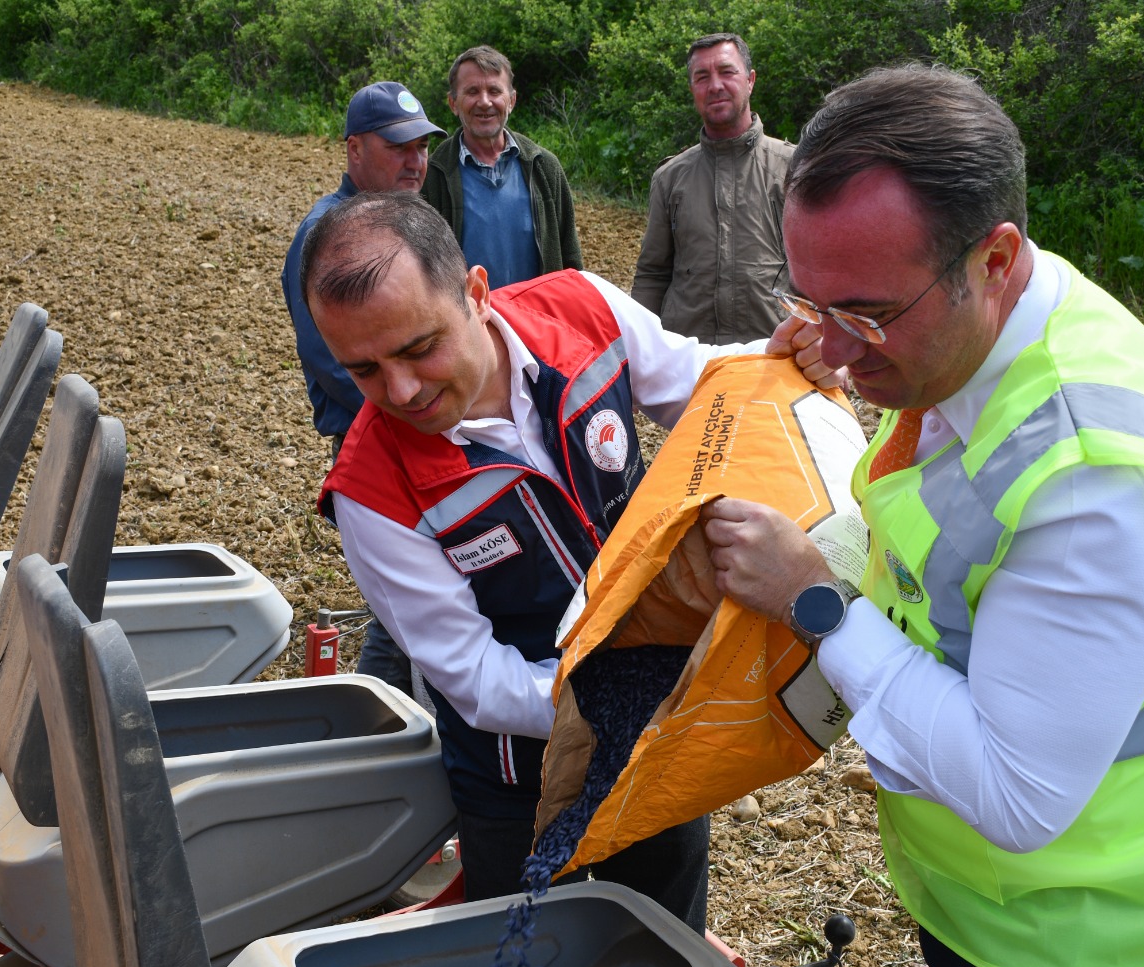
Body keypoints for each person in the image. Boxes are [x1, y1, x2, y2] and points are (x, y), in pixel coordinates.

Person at [701, 64, 1144, 967]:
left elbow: (1014, 792)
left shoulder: (1102, 479)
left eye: (865, 311)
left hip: (1096, 958)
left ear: (995, 257)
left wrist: (816, 605)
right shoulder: (981, 329)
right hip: (998, 916)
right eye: (812, 299)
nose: (833, 344)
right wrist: (851, 338)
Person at [303, 192, 834, 927]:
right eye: (362, 371)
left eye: (419, 347)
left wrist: (782, 356)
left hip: (654, 749)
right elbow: (479, 681)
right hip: (518, 783)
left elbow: (703, 381)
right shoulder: (371, 491)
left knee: (662, 943)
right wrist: (619, 705)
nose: (401, 391)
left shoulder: (581, 309)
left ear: (477, 293)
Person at [281, 81, 442, 695]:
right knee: (404, 602)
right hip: (378, 442)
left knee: (413, 600)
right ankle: (375, 733)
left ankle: (382, 730)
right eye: (398, 146)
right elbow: (337, 366)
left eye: (422, 146)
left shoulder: (393, 222)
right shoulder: (330, 238)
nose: (416, 160)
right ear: (353, 150)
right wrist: (430, 416)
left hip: (414, 433)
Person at [631, 33, 794, 344]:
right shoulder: (669, 177)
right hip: (690, 362)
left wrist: (828, 351)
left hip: (774, 358)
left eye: (727, 72)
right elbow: (652, 275)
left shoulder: (795, 169)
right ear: (693, 89)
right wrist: (638, 352)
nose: (715, 85)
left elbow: (823, 276)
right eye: (702, 77)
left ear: (750, 80)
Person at [420, 46, 582, 287]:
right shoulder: (432, 175)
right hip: (469, 321)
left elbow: (571, 261)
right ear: (453, 103)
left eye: (494, 91)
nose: (484, 102)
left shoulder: (544, 168)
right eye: (472, 91)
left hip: (534, 319)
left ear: (511, 101)